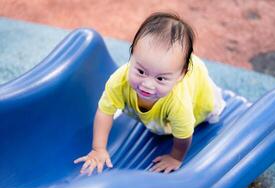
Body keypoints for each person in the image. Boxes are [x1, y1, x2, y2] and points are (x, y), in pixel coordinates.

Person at [74, 12, 225, 175]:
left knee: (206, 110)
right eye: (141, 71)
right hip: (169, 84)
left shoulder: (179, 103)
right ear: (132, 55)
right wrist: (98, 148)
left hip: (197, 92)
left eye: (160, 78)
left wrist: (176, 158)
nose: (147, 84)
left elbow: (184, 135)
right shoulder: (120, 81)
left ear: (181, 75)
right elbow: (105, 111)